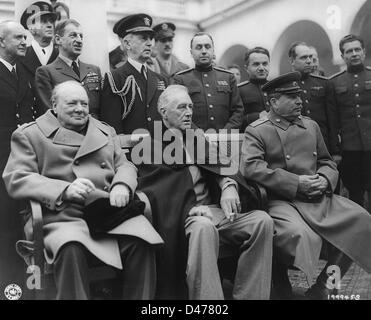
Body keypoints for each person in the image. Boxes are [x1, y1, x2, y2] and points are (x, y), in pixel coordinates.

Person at [2, 81, 159, 300]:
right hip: (60, 217)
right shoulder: (31, 135)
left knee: (141, 241)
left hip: (108, 212)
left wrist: (122, 184)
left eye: (84, 103)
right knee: (71, 246)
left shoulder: (105, 131)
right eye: (72, 103)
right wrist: (64, 190)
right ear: (54, 105)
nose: (80, 109)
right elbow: (16, 177)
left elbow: (125, 165)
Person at [241, 71, 371, 299]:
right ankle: (281, 285)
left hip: (318, 196)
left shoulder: (311, 126)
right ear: (273, 102)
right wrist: (295, 182)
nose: (299, 101)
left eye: (299, 95)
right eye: (291, 97)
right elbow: (251, 168)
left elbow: (326, 161)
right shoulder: (258, 129)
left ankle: (326, 285)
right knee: (298, 236)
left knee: (362, 222)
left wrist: (324, 179)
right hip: (283, 200)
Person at [136, 85, 273, 299]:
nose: (189, 112)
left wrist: (228, 186)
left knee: (261, 221)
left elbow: (222, 164)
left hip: (217, 211)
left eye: (190, 107)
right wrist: (192, 208)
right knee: (204, 227)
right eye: (181, 107)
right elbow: (155, 190)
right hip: (185, 217)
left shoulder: (195, 137)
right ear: (163, 112)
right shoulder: (150, 143)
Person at [0, 20, 42, 293]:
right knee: (6, 226)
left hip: (25, 159)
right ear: (2, 42)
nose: (25, 42)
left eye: (25, 37)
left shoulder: (25, 73)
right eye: (18, 38)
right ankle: (10, 289)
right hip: (1, 158)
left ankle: (32, 288)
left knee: (29, 226)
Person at [100, 14, 167, 135]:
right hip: (131, 150)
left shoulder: (160, 79)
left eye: (150, 38)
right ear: (127, 44)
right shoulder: (114, 79)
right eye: (143, 38)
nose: (149, 43)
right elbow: (112, 126)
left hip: (159, 150)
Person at [330, 34, 371, 210]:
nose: (354, 54)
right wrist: (336, 150)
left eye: (357, 49)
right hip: (350, 149)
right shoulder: (334, 82)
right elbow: (332, 120)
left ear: (364, 52)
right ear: (343, 56)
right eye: (349, 51)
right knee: (355, 194)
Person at [173, 32, 244, 131]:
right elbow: (178, 111)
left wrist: (225, 133)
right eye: (198, 47)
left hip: (224, 141)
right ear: (191, 52)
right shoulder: (181, 79)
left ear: (213, 50)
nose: (204, 51)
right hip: (193, 141)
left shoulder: (228, 77)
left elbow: (238, 111)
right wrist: (196, 132)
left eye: (207, 47)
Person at [35, 19, 102, 118]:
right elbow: (50, 112)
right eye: (73, 35)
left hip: (95, 129)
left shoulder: (94, 70)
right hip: (66, 131)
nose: (79, 40)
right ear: (58, 40)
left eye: (81, 36)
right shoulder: (46, 72)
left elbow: (103, 107)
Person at [289, 41, 340, 157]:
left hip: (322, 143)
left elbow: (332, 120)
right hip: (296, 146)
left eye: (310, 57)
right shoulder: (285, 85)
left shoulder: (324, 83)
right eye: (303, 58)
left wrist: (335, 151)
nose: (308, 61)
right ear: (292, 61)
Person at [19, 1, 59, 79]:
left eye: (51, 21)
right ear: (31, 28)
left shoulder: (63, 55)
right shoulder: (20, 57)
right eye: (43, 21)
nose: (50, 25)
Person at [238, 47, 270, 131]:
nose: (261, 68)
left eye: (265, 64)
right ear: (246, 68)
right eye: (256, 64)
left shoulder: (277, 87)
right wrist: (257, 116)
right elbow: (235, 120)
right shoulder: (239, 90)